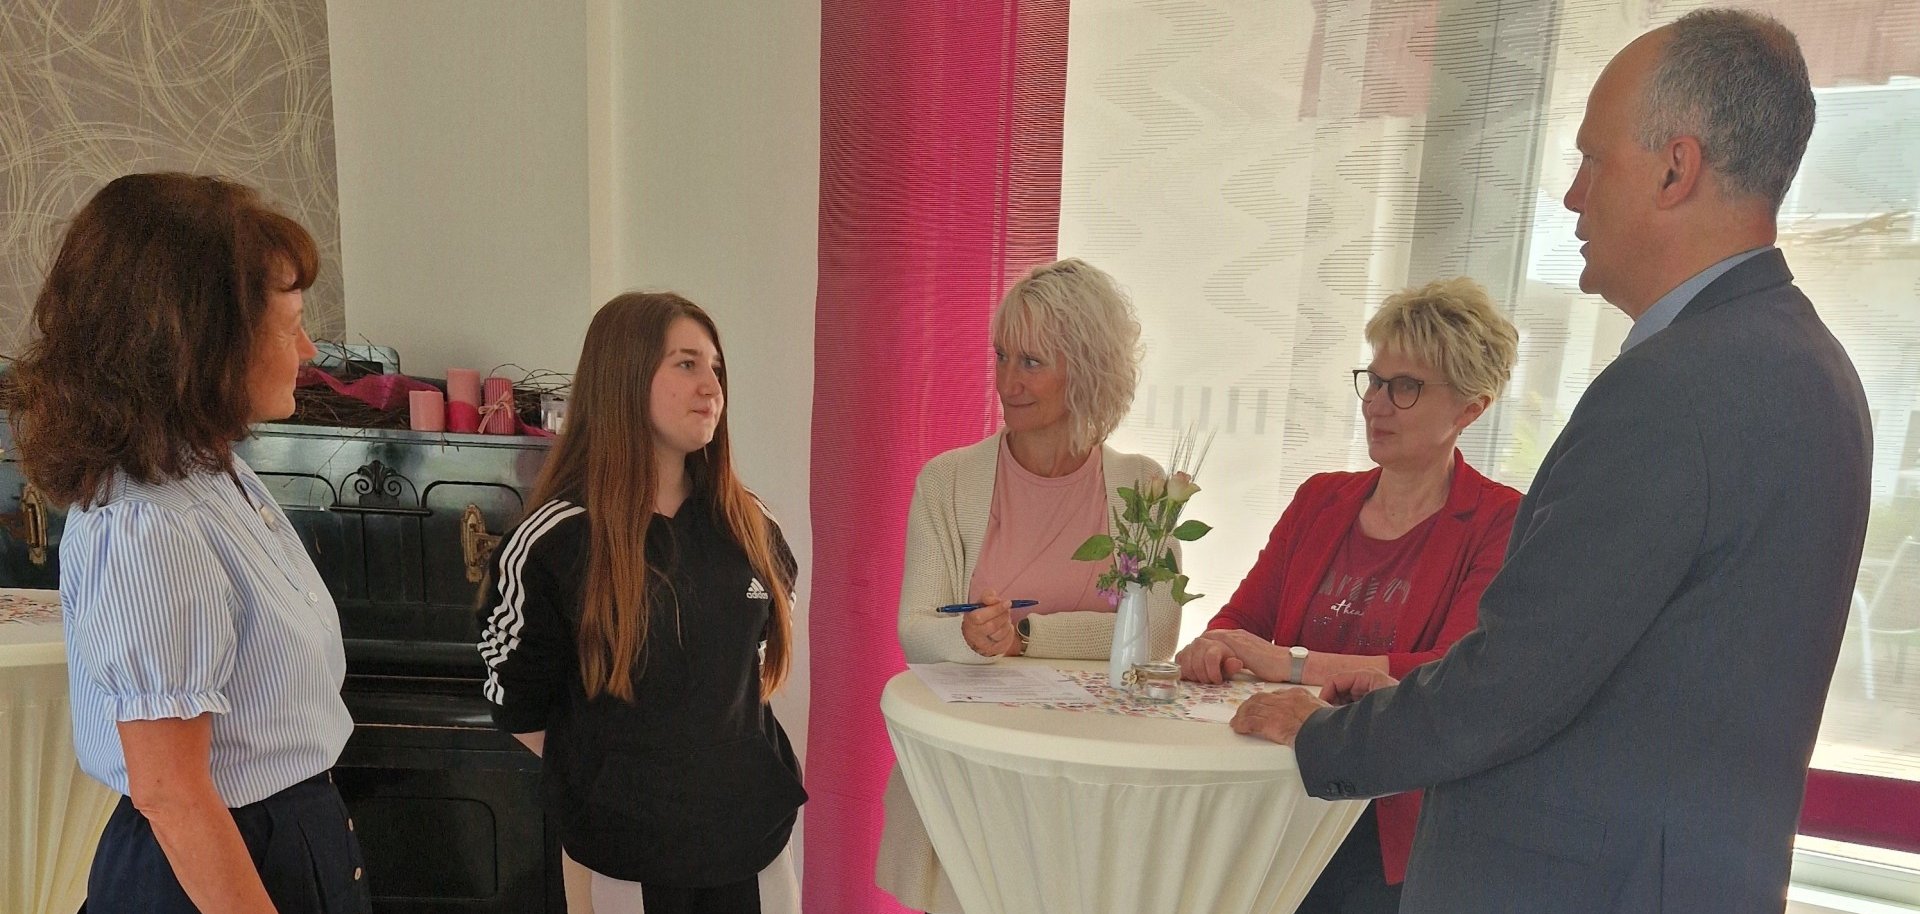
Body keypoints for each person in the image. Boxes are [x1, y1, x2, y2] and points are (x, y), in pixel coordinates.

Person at [1233, 10, 1873, 913]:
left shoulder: (1675, 386)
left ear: (1674, 168)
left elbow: (1516, 678)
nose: (1571, 197)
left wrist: (1323, 738)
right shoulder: (1814, 364)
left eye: (1589, 159)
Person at [9, 173, 368, 912]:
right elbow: (173, 795)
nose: (307, 347)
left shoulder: (211, 470)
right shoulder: (151, 525)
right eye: (287, 323)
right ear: (198, 344)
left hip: (276, 835)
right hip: (216, 869)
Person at [1177, 277, 1521, 912]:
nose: (1377, 404)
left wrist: (1293, 663)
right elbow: (1240, 619)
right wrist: (1217, 648)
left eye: (1407, 387)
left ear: (1471, 408)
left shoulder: (1501, 521)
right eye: (1375, 380)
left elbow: (1452, 674)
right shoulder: (1320, 498)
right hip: (1271, 799)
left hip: (1384, 824)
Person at [477, 292, 805, 914]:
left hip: (753, 843)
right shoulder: (554, 541)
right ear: (623, 376)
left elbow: (752, 668)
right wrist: (616, 773)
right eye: (686, 364)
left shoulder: (752, 527)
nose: (711, 386)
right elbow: (517, 702)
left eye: (716, 368)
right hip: (623, 857)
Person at [876, 257, 1178, 912]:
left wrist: (1026, 636)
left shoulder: (1145, 487)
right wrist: (965, 633)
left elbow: (1152, 638)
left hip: (1097, 790)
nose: (1007, 382)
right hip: (979, 782)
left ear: (1089, 369)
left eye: (1032, 362)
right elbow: (914, 631)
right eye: (1002, 356)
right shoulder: (946, 482)